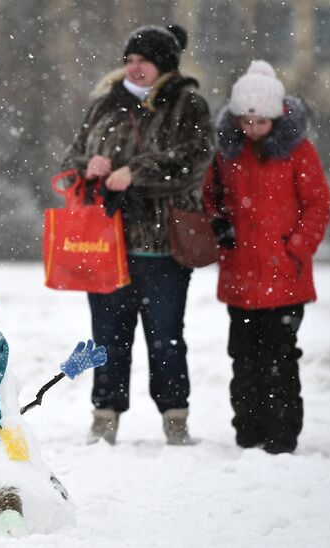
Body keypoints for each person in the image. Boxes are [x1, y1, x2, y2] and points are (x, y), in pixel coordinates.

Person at [60, 25, 214, 445]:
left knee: (165, 338)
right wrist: (88, 165)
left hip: (162, 245)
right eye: (129, 60)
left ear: (163, 64)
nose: (134, 68)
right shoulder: (104, 104)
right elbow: (72, 155)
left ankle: (175, 418)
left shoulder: (188, 104)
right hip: (105, 245)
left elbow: (195, 161)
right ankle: (104, 416)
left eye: (143, 60)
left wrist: (136, 174)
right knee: (107, 339)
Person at [203, 60, 330, 454]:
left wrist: (295, 249)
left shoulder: (299, 153)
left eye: (260, 122)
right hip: (240, 277)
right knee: (243, 360)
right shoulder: (227, 153)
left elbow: (318, 206)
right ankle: (248, 433)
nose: (252, 129)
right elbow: (211, 198)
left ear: (275, 118)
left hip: (285, 280)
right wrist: (219, 225)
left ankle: (281, 436)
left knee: (280, 361)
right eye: (246, 121)